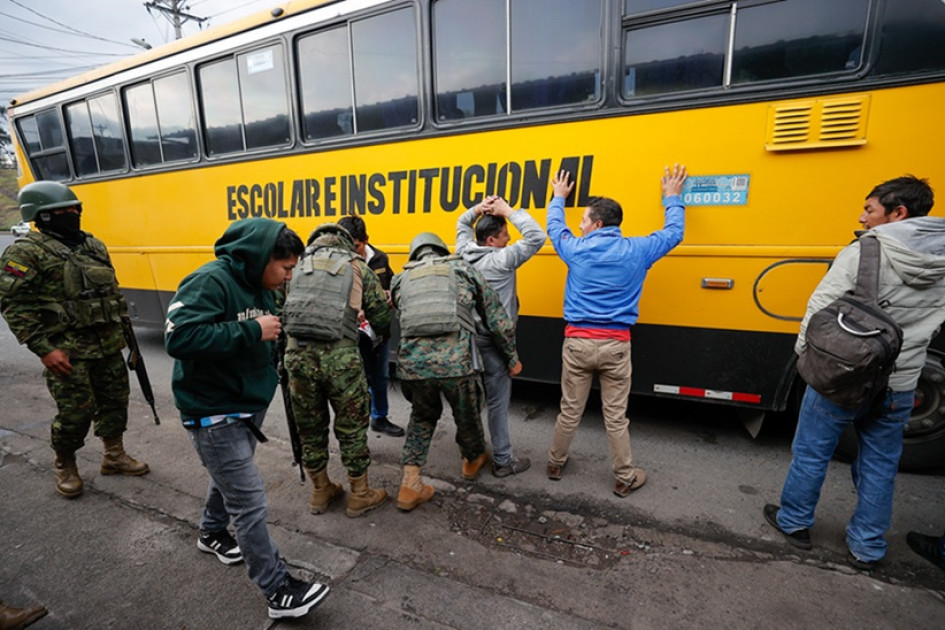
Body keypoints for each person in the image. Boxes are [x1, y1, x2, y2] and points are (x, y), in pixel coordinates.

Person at [764, 175, 945, 572]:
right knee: (881, 463)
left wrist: (807, 362)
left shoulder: (867, 252)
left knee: (812, 452)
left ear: (898, 213)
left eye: (869, 209)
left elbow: (820, 309)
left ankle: (794, 523)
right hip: (901, 382)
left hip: (844, 377)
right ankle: (866, 547)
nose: (862, 218)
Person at [164, 218, 329, 619]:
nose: (289, 276)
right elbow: (179, 338)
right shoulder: (209, 281)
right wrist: (251, 331)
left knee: (228, 481)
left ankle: (212, 532)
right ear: (260, 258)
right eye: (286, 268)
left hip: (246, 406)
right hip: (213, 413)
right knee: (249, 501)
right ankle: (278, 591)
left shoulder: (262, 284)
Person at [545, 165, 688, 497]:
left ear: (596, 224)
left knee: (570, 409)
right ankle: (624, 477)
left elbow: (555, 227)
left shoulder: (575, 249)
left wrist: (558, 198)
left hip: (578, 343)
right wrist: (673, 198)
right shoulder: (638, 250)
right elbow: (674, 233)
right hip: (616, 346)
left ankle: (555, 463)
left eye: (583, 220)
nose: (578, 225)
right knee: (615, 416)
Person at [0, 181, 149, 499]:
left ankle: (114, 456)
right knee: (75, 414)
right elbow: (15, 305)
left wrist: (129, 342)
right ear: (40, 216)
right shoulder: (25, 252)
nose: (71, 214)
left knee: (114, 405)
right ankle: (65, 464)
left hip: (108, 345)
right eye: (60, 211)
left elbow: (112, 294)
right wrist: (43, 349)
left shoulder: (94, 246)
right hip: (67, 351)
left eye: (74, 209)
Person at [391, 232, 521, 511]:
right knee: (467, 412)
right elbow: (497, 319)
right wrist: (512, 357)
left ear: (415, 255)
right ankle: (472, 460)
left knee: (422, 416)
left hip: (413, 365)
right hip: (456, 363)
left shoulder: (400, 278)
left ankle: (409, 483)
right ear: (441, 250)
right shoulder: (463, 269)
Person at [282, 223, 391, 518]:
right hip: (340, 357)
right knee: (351, 425)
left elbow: (280, 308)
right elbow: (381, 316)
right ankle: (359, 495)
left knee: (309, 424)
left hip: (298, 355)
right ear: (346, 243)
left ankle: (320, 491)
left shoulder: (296, 266)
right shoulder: (357, 267)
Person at [455, 196, 546, 477]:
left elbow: (462, 222)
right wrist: (507, 210)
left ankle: (472, 455)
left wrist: (478, 210)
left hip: (468, 341)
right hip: (495, 344)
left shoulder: (463, 251)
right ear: (492, 241)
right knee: (497, 403)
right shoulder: (502, 260)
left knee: (470, 401)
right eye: (505, 234)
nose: (509, 238)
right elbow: (537, 236)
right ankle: (504, 461)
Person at [336, 216, 404, 437]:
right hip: (352, 335)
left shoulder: (380, 259)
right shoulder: (338, 263)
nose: (352, 251)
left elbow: (393, 286)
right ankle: (357, 425)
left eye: (355, 246)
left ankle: (379, 417)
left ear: (365, 240)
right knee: (357, 381)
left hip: (379, 332)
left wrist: (390, 296)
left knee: (381, 376)